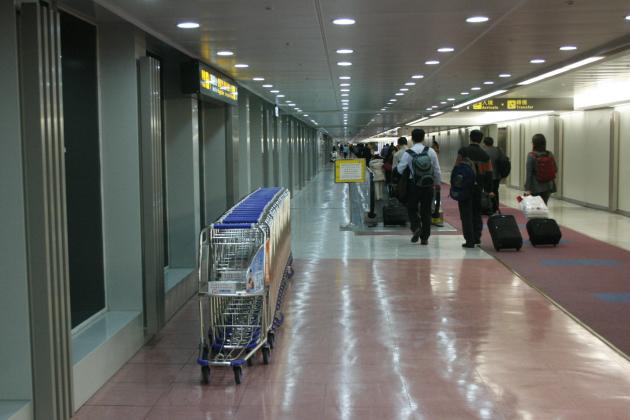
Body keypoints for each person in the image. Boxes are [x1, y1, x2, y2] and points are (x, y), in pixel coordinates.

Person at [396, 129, 442, 245]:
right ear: (423, 137)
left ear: (412, 138)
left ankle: (416, 227)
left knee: (411, 208)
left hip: (414, 185)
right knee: (426, 211)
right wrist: (437, 184)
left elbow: (400, 170)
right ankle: (425, 238)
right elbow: (437, 169)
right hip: (428, 185)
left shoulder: (409, 153)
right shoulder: (430, 151)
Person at [455, 130, 494, 248]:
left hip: (464, 188)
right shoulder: (485, 155)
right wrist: (488, 190)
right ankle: (477, 237)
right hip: (478, 187)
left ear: (470, 138)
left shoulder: (463, 151)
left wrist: (455, 186)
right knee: (477, 212)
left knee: (465, 214)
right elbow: (489, 173)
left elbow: (456, 168)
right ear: (481, 140)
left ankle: (469, 240)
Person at [525, 133, 557, 205]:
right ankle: (543, 216)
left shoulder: (531, 155)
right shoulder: (549, 154)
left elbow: (529, 174)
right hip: (548, 185)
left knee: (535, 209)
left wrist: (527, 189)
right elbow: (555, 169)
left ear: (534, 144)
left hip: (535, 187)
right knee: (544, 207)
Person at [482, 137, 502, 213]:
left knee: (487, 191)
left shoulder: (484, 151)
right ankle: (496, 207)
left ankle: (488, 207)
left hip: (487, 175)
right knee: (495, 191)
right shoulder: (498, 150)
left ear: (484, 143)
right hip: (497, 175)